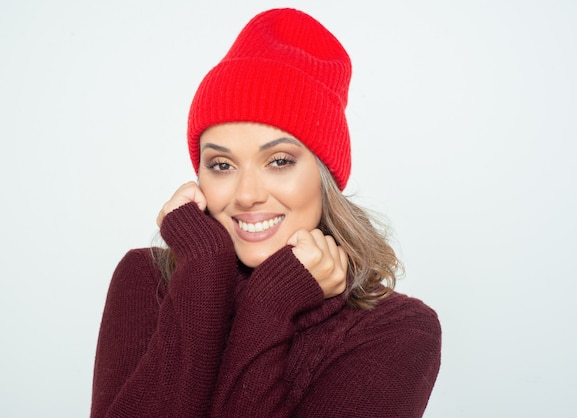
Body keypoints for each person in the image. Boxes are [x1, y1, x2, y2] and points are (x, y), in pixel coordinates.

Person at [91, 8, 441, 418]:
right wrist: (202, 271)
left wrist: (271, 303)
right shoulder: (146, 279)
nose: (247, 195)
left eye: (279, 161)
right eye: (222, 165)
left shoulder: (396, 331)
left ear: (324, 175)